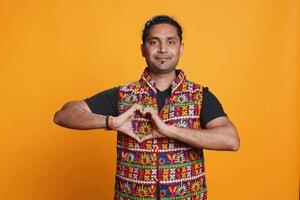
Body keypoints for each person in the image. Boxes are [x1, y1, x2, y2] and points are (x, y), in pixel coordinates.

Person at [54, 15, 240, 200]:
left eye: (171, 42)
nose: (163, 49)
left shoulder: (200, 95)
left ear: (181, 48)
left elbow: (231, 140)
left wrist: (169, 130)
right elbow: (63, 115)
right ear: (143, 49)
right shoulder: (122, 94)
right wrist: (111, 122)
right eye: (154, 42)